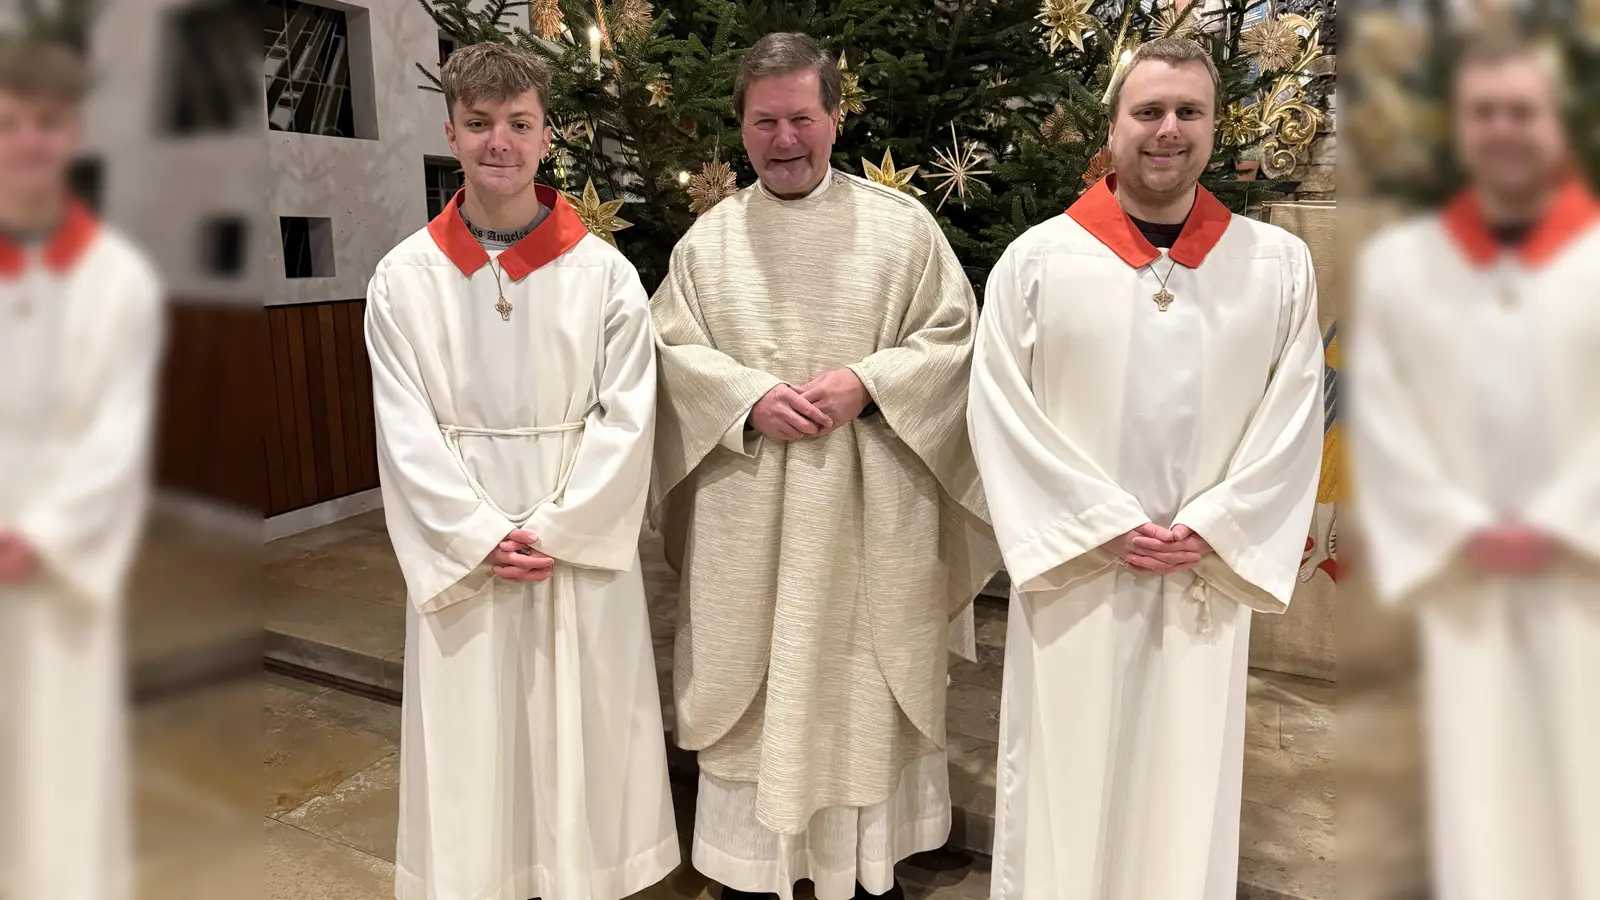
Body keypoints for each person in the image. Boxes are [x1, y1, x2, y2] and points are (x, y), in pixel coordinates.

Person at [968, 37, 1324, 900]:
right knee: (1065, 774)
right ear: (1114, 125)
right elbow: (999, 411)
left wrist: (1214, 526)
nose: (1168, 131)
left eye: (1189, 112)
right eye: (1149, 111)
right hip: (1081, 578)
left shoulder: (1273, 266)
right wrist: (1099, 523)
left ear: (1212, 125)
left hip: (1200, 577)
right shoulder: (1040, 260)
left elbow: (1296, 413)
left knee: (1184, 781)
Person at [649, 31, 1000, 900]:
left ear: (835, 118)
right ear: (741, 128)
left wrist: (869, 382)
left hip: (871, 513)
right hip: (750, 515)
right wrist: (746, 398)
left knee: (859, 683)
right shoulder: (707, 244)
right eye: (765, 121)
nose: (785, 139)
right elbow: (667, 352)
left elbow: (955, 341)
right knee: (756, 686)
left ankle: (861, 869)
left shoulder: (903, 228)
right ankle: (753, 869)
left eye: (802, 117)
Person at [366, 42, 676, 900]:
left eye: (518, 124)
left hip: (572, 534)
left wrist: (560, 525)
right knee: (474, 735)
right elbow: (405, 429)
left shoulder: (604, 273)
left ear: (547, 136)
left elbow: (628, 413)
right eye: (478, 125)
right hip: (467, 545)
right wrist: (477, 535)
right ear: (451, 134)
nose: (498, 143)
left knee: (582, 724)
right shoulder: (403, 278)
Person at [1348, 34, 1600, 900]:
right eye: (1484, 113)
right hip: (1462, 578)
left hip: (1584, 577)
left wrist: (1561, 521)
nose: (1503, 130)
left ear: (1557, 124)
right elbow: (1383, 414)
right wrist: (1462, 526)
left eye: (1521, 111)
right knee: (1478, 807)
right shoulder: (1403, 267)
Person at [0, 37, 164, 900]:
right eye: (9, 122)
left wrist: (42, 535)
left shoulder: (115, 279)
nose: (28, 141)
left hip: (60, 544)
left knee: (58, 761)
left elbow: (116, 430)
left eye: (47, 123)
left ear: (74, 134)